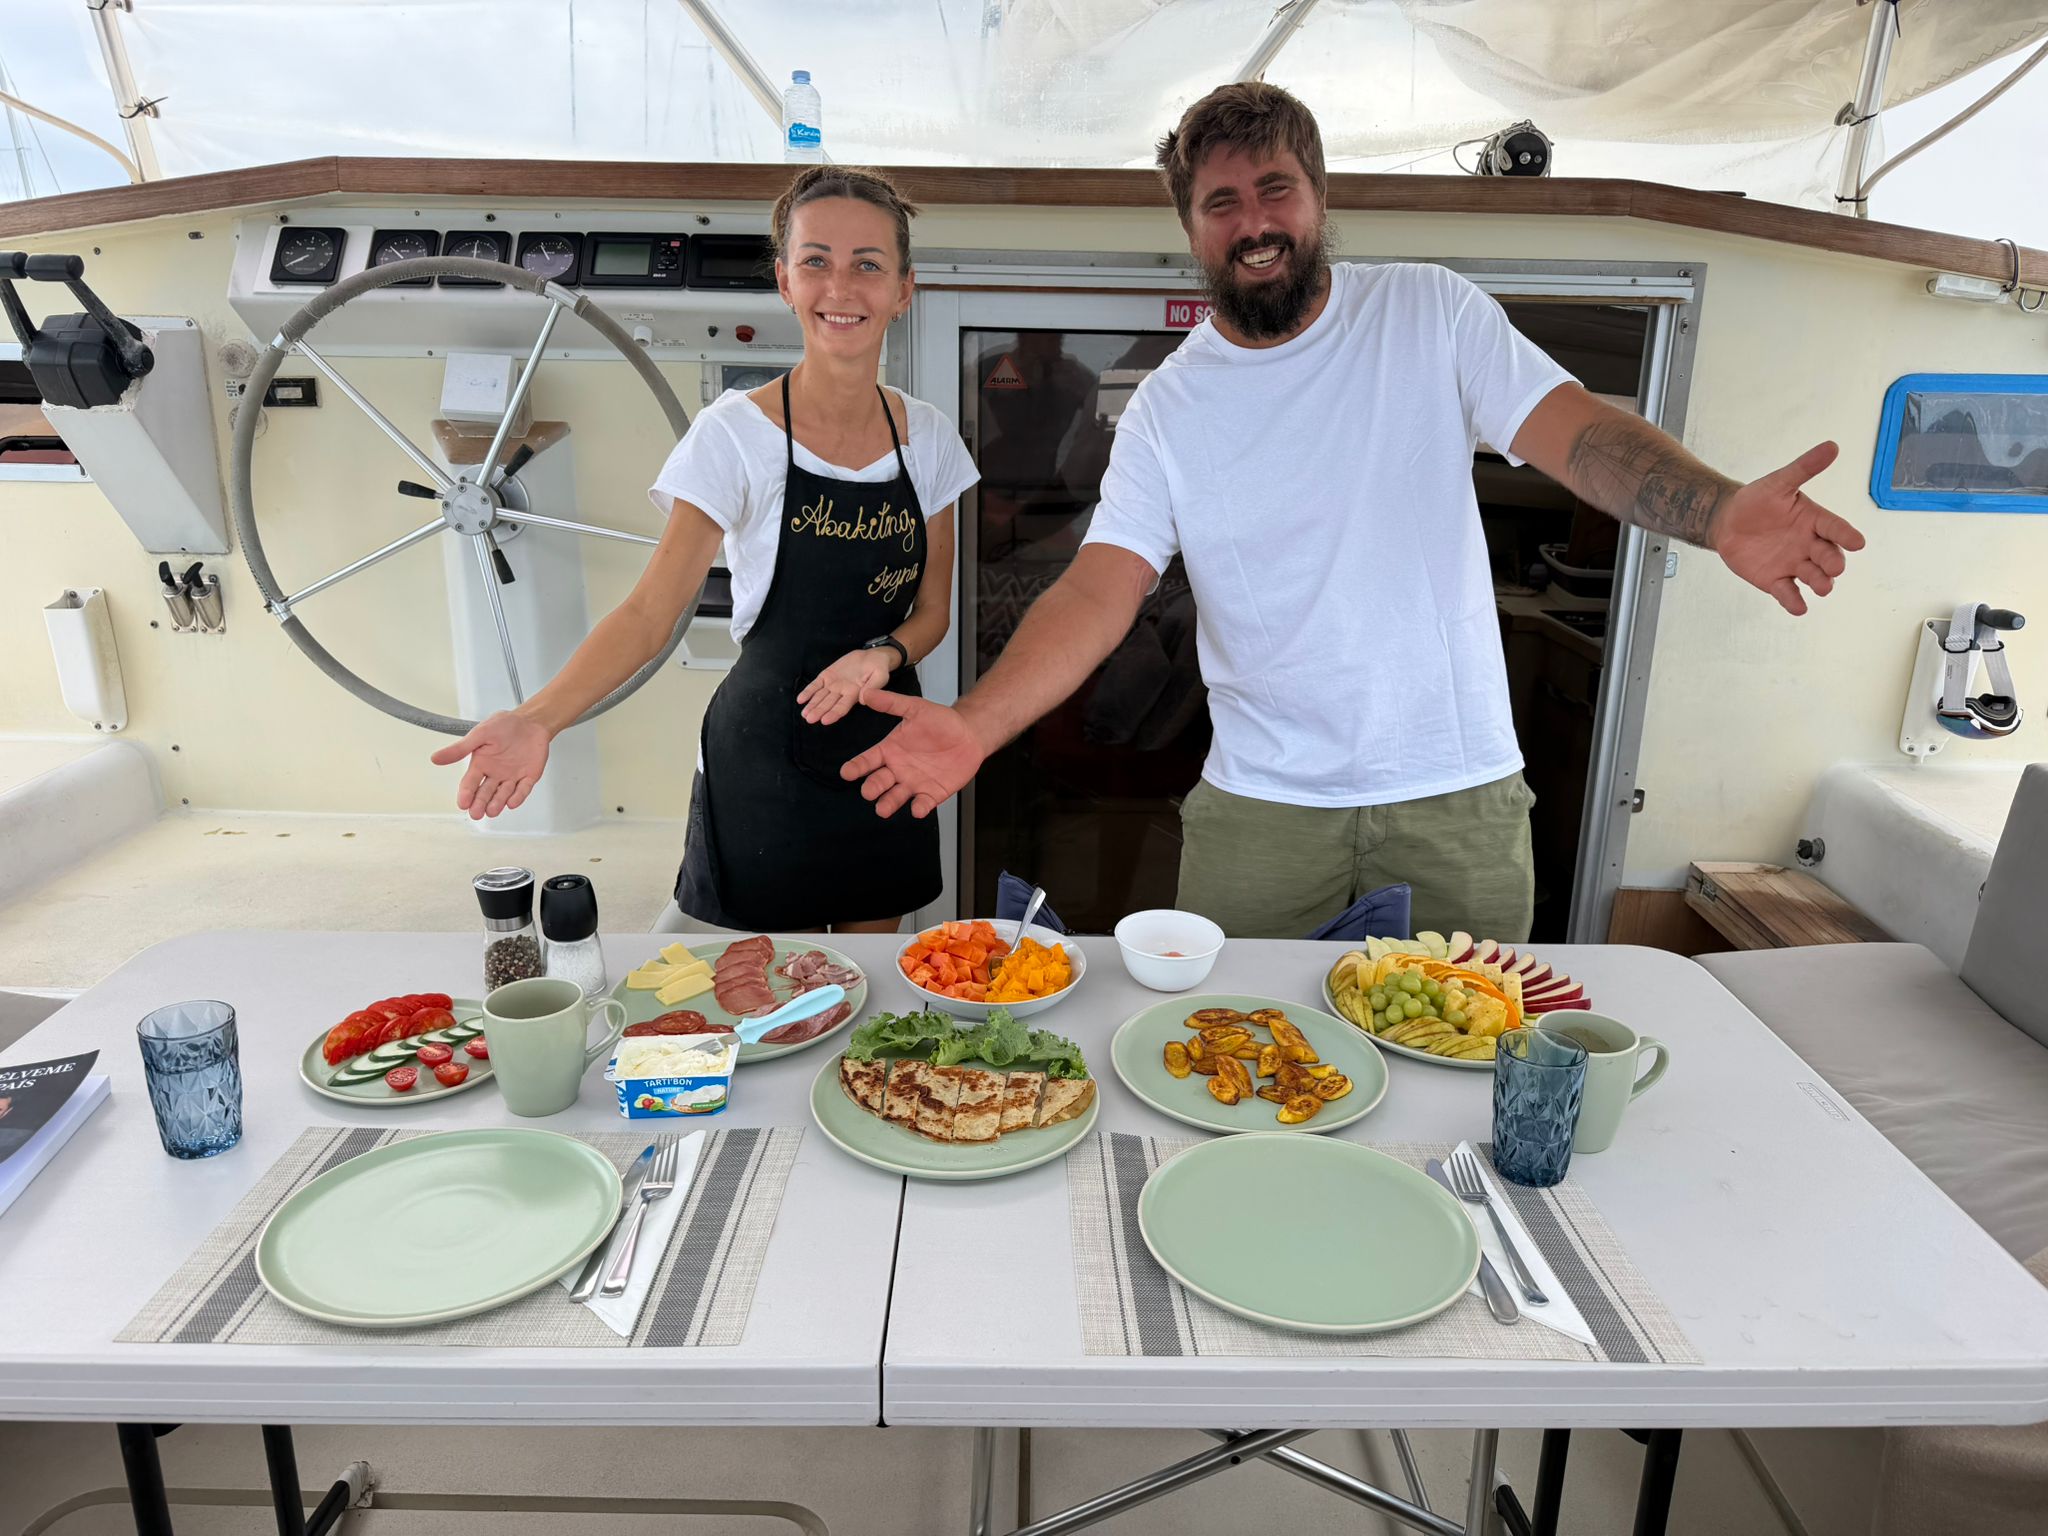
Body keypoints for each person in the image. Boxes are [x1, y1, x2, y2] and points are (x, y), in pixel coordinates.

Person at [843, 82, 1865, 942]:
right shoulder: (1167, 407)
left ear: (1316, 196)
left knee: (1462, 1063)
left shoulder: (1430, 313)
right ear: (1189, 226)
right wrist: (976, 723)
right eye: (1221, 202)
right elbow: (1098, 591)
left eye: (1274, 190)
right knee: (1232, 1069)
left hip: (1455, 791)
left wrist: (1717, 511)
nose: (1252, 222)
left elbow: (1576, 436)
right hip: (1261, 806)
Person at [433, 166, 977, 933]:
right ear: (785, 281)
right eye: (816, 261)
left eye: (868, 265)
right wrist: (539, 718)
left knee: (868, 987)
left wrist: (881, 654)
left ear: (903, 289)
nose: (840, 286)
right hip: (764, 751)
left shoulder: (929, 439)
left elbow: (931, 612)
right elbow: (652, 611)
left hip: (887, 744)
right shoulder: (733, 436)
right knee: (761, 1000)